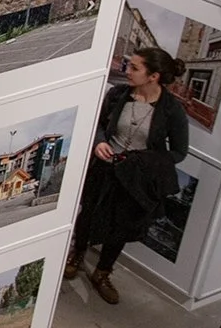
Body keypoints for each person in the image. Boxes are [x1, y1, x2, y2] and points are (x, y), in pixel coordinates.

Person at [65, 46, 189, 304]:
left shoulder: (172, 110)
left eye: (134, 68)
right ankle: (77, 254)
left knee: (122, 226)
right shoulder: (117, 94)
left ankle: (102, 272)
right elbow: (99, 125)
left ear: (153, 76)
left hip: (136, 177)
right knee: (88, 211)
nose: (127, 71)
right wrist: (100, 142)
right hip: (104, 168)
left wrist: (144, 161)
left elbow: (178, 151)